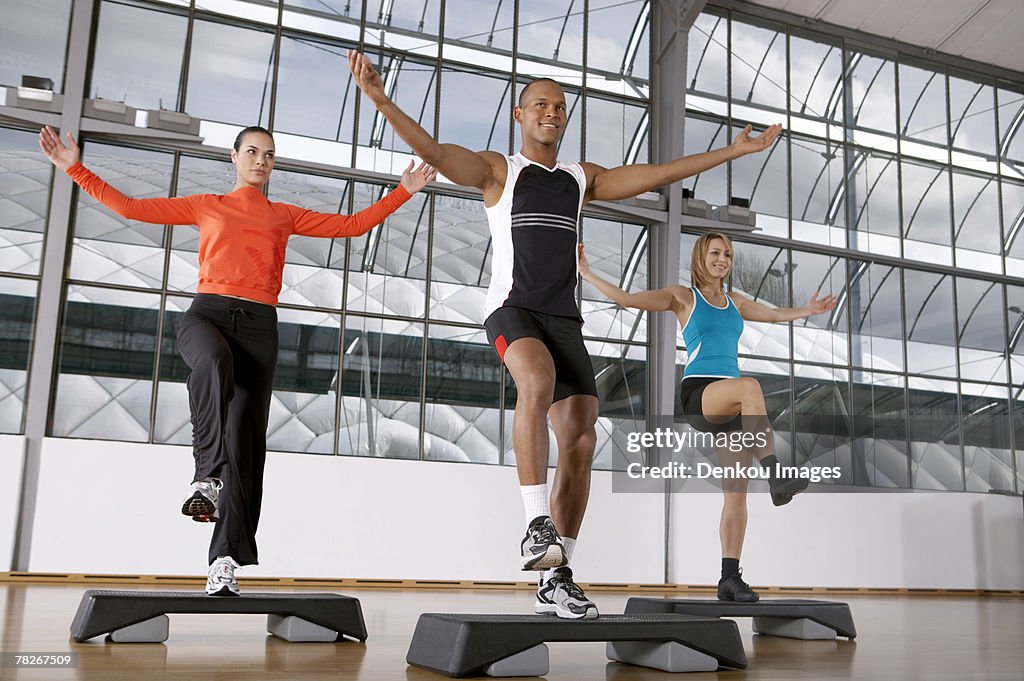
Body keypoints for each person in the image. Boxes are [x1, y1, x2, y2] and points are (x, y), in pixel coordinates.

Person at [350, 53, 783, 617]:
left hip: (563, 319)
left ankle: (558, 575)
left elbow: (658, 175)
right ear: (519, 115)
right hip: (513, 311)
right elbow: (434, 152)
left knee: (581, 440)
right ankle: (536, 523)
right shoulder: (498, 171)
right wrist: (381, 99)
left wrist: (735, 150)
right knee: (537, 377)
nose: (551, 113)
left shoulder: (580, 179)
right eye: (540, 106)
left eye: (559, 107)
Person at [39, 124, 436, 596]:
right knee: (211, 363)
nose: (260, 161)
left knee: (245, 444)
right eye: (252, 152)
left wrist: (403, 191)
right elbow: (131, 208)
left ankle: (224, 560)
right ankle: (206, 476)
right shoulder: (207, 204)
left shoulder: (283, 215)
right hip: (206, 314)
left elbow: (351, 226)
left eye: (269, 155)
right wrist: (73, 168)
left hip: (259, 328)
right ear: (234, 156)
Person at [578, 233, 836, 602]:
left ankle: (729, 578)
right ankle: (777, 474)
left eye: (728, 254)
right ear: (701, 257)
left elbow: (776, 314)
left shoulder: (736, 302)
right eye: (716, 253)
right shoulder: (684, 297)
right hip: (701, 394)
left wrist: (808, 310)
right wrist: (587, 274)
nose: (722, 259)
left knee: (736, 495)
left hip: (731, 407)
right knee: (750, 387)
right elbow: (627, 299)